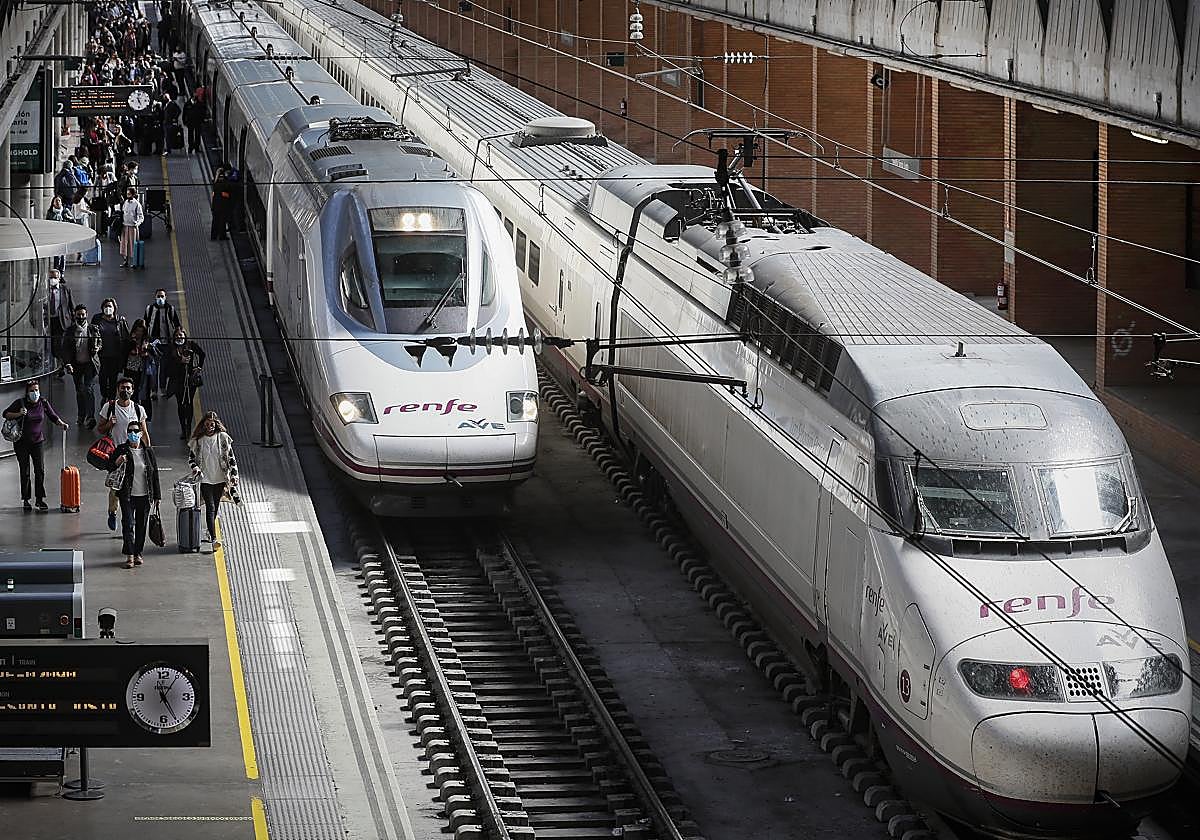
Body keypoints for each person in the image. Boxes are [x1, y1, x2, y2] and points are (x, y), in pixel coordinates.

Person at [3, 380, 69, 512]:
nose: (35, 393)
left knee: (40, 470)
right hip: (21, 443)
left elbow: (53, 416)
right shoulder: (20, 403)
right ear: (27, 392)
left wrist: (62, 424)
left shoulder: (43, 403)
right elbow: (5, 414)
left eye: (37, 390)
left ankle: (40, 499)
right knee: (25, 471)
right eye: (32, 390)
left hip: (37, 441)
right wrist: (19, 414)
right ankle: (26, 499)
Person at [99, 376, 151, 532]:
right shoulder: (109, 407)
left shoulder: (138, 409)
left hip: (135, 454)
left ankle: (127, 521)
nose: (126, 390)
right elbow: (100, 429)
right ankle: (112, 511)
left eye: (128, 388)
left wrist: (148, 452)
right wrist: (110, 424)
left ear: (133, 391)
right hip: (117, 455)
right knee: (115, 488)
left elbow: (144, 432)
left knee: (130, 489)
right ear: (117, 390)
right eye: (123, 388)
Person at [109, 419, 160, 569]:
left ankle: (138, 553)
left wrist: (157, 496)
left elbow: (154, 474)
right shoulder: (121, 450)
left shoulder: (148, 452)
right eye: (130, 431)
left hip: (145, 495)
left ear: (141, 433)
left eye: (136, 431)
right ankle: (130, 555)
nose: (133, 434)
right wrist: (118, 461)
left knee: (141, 526)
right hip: (127, 496)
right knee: (128, 524)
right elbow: (110, 466)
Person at [188, 411, 238, 548]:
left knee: (215, 507)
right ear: (203, 425)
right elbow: (191, 459)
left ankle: (210, 532)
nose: (210, 426)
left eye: (212, 424)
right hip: (205, 479)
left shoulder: (223, 438)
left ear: (216, 424)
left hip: (220, 478)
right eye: (207, 424)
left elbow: (231, 458)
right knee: (210, 507)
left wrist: (234, 476)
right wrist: (195, 468)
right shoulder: (198, 441)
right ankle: (214, 538)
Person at [61, 303, 102, 428]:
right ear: (75, 315)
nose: (81, 317)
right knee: (79, 391)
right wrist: (67, 363)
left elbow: (100, 342)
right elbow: (66, 349)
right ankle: (81, 415)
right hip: (76, 364)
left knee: (88, 389)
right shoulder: (70, 331)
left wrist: (97, 348)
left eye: (83, 315)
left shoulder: (93, 329)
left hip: (89, 364)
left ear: (87, 315)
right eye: (78, 315)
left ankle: (90, 417)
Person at [163, 327, 204, 440]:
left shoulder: (191, 345)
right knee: (180, 404)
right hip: (177, 381)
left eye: (181, 335)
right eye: (177, 335)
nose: (179, 337)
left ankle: (189, 428)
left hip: (190, 380)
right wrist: (179, 361)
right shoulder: (171, 348)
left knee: (189, 403)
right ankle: (183, 428)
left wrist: (199, 367)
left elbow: (202, 354)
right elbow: (166, 365)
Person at [143, 289, 179, 399]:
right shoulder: (150, 309)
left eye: (162, 296)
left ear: (165, 297)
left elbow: (177, 325)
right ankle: (154, 391)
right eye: (158, 296)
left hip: (166, 343)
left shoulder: (170, 309)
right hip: (154, 343)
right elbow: (145, 325)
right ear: (155, 297)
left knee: (163, 367)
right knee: (154, 367)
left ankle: (163, 389)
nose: (160, 298)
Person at [91, 297, 130, 400]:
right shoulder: (97, 319)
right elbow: (92, 333)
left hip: (115, 356)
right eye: (106, 306)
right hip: (101, 356)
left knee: (113, 379)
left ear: (114, 308)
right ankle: (104, 395)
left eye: (110, 306)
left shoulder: (120, 320)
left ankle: (111, 399)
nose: (108, 308)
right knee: (102, 378)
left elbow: (126, 337)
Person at [46, 270, 74, 377]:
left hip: (62, 321)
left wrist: (73, 321)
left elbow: (71, 306)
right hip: (49, 320)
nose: (52, 280)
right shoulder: (44, 290)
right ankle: (54, 363)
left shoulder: (65, 290)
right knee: (51, 345)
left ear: (59, 278)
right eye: (50, 277)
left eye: (55, 277)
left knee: (60, 344)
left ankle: (61, 366)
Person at [120, 187, 144, 269]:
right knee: (124, 243)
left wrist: (137, 223)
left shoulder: (137, 204)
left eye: (129, 194)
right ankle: (125, 260)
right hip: (125, 226)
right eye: (127, 194)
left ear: (133, 195)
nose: (127, 195)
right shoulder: (125, 202)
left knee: (133, 244)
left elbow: (141, 216)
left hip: (133, 227)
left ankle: (134, 261)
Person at [210, 166, 231, 240]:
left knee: (215, 221)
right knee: (222, 221)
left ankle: (213, 236)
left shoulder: (215, 182)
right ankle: (222, 236)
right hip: (222, 205)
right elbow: (228, 189)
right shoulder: (225, 181)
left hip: (215, 205)